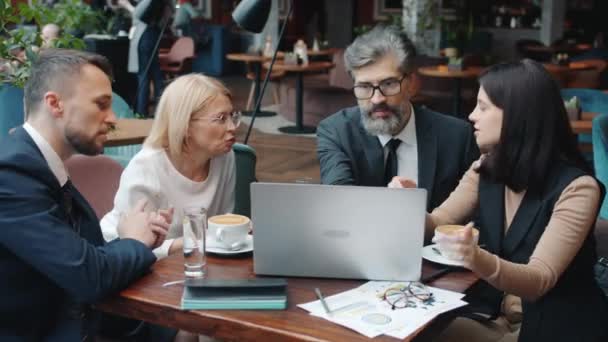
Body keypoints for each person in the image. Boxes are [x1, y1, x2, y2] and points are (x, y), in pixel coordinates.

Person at [395, 59, 608, 341]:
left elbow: (540, 279)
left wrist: (474, 257)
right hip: (496, 317)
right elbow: (440, 221)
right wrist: (405, 206)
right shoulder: (485, 167)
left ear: (519, 115)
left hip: (558, 327)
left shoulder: (578, 189)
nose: (471, 116)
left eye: (483, 107)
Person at [0, 49, 172, 340]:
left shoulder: (39, 164)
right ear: (55, 104)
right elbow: (89, 276)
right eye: (101, 105)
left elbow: (81, 256)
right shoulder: (12, 172)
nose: (112, 117)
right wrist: (133, 241)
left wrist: (133, 238)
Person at [317, 25, 479, 211]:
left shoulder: (457, 136)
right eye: (364, 86)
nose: (377, 98)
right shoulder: (336, 132)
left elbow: (474, 213)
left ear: (412, 84)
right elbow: (339, 199)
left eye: (389, 84)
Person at [101, 73, 237, 259]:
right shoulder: (146, 167)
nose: (232, 127)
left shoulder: (225, 157)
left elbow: (221, 225)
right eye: (221, 118)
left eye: (232, 116)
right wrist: (189, 242)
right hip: (121, 259)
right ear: (186, 124)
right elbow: (132, 245)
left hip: (192, 260)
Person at [117, 0, 172, 117]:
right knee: (156, 75)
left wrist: (127, 5)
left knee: (143, 75)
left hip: (144, 36)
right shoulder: (166, 4)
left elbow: (137, 15)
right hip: (154, 35)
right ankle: (161, 109)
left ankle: (141, 112)